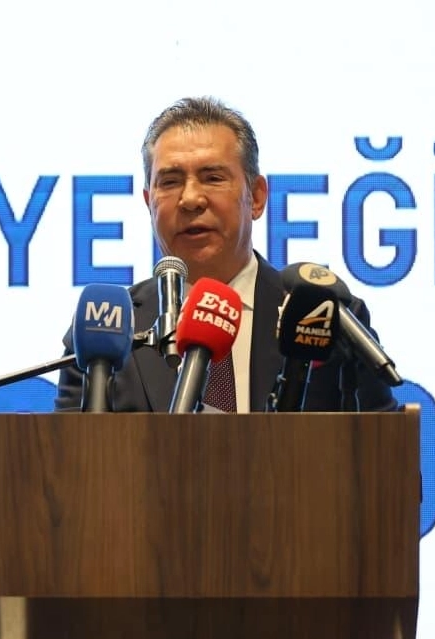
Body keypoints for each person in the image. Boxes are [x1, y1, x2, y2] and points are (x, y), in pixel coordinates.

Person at [54, 96, 399, 414]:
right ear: (149, 202)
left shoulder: (323, 318)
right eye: (170, 182)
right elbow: (70, 454)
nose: (191, 199)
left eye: (213, 178)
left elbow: (381, 449)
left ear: (257, 197)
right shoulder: (105, 330)